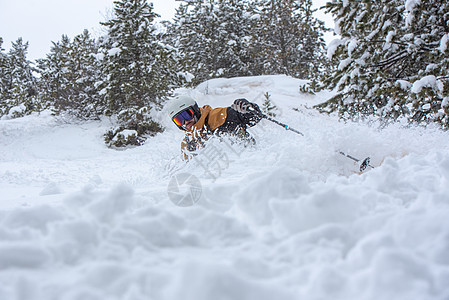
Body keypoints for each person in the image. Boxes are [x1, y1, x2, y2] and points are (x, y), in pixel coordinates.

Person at [167, 95, 263, 159]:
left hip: (250, 161)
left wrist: (248, 108)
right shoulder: (188, 144)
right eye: (179, 120)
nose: (186, 122)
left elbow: (255, 117)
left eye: (187, 115)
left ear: (195, 110)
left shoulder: (220, 116)